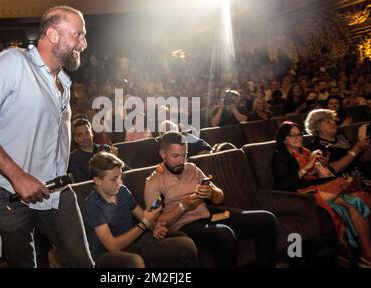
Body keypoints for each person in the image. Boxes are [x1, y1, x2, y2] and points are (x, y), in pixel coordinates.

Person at [0, 6, 94, 268]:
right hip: (8, 191)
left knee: (81, 262)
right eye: (78, 34)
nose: (84, 43)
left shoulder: (63, 83)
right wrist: (18, 176)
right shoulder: (13, 62)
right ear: (53, 34)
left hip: (55, 188)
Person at [144, 131, 277, 268]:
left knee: (267, 219)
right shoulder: (154, 182)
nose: (181, 161)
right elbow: (156, 221)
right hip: (184, 226)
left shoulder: (192, 169)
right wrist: (183, 206)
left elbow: (220, 197)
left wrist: (211, 193)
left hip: (211, 216)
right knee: (224, 234)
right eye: (175, 156)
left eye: (185, 156)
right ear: (163, 154)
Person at [272, 121, 371, 268]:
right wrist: (308, 165)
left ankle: (365, 257)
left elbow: (323, 177)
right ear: (285, 139)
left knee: (355, 203)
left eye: (299, 134)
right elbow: (284, 184)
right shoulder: (280, 155)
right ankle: (357, 252)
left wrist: (321, 165)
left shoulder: (305, 151)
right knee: (347, 187)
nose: (298, 138)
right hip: (300, 195)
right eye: (292, 136)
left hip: (318, 188)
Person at [84, 151, 198, 268]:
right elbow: (113, 246)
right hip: (107, 255)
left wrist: (154, 227)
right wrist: (145, 224)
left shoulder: (122, 191)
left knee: (186, 244)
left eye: (120, 176)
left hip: (133, 244)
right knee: (134, 262)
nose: (120, 182)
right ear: (97, 180)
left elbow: (141, 215)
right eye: (114, 179)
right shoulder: (93, 204)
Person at [305, 109, 371, 179]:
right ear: (317, 127)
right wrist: (355, 150)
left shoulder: (341, 137)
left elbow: (362, 159)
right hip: (343, 180)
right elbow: (331, 170)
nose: (333, 123)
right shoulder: (316, 146)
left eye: (333, 120)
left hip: (362, 174)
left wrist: (367, 147)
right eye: (328, 122)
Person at [68, 118, 118, 182]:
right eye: (80, 135)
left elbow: (126, 171)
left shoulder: (106, 149)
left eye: (87, 133)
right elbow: (83, 183)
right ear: (75, 139)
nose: (85, 137)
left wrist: (116, 160)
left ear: (92, 133)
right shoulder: (73, 158)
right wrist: (110, 162)